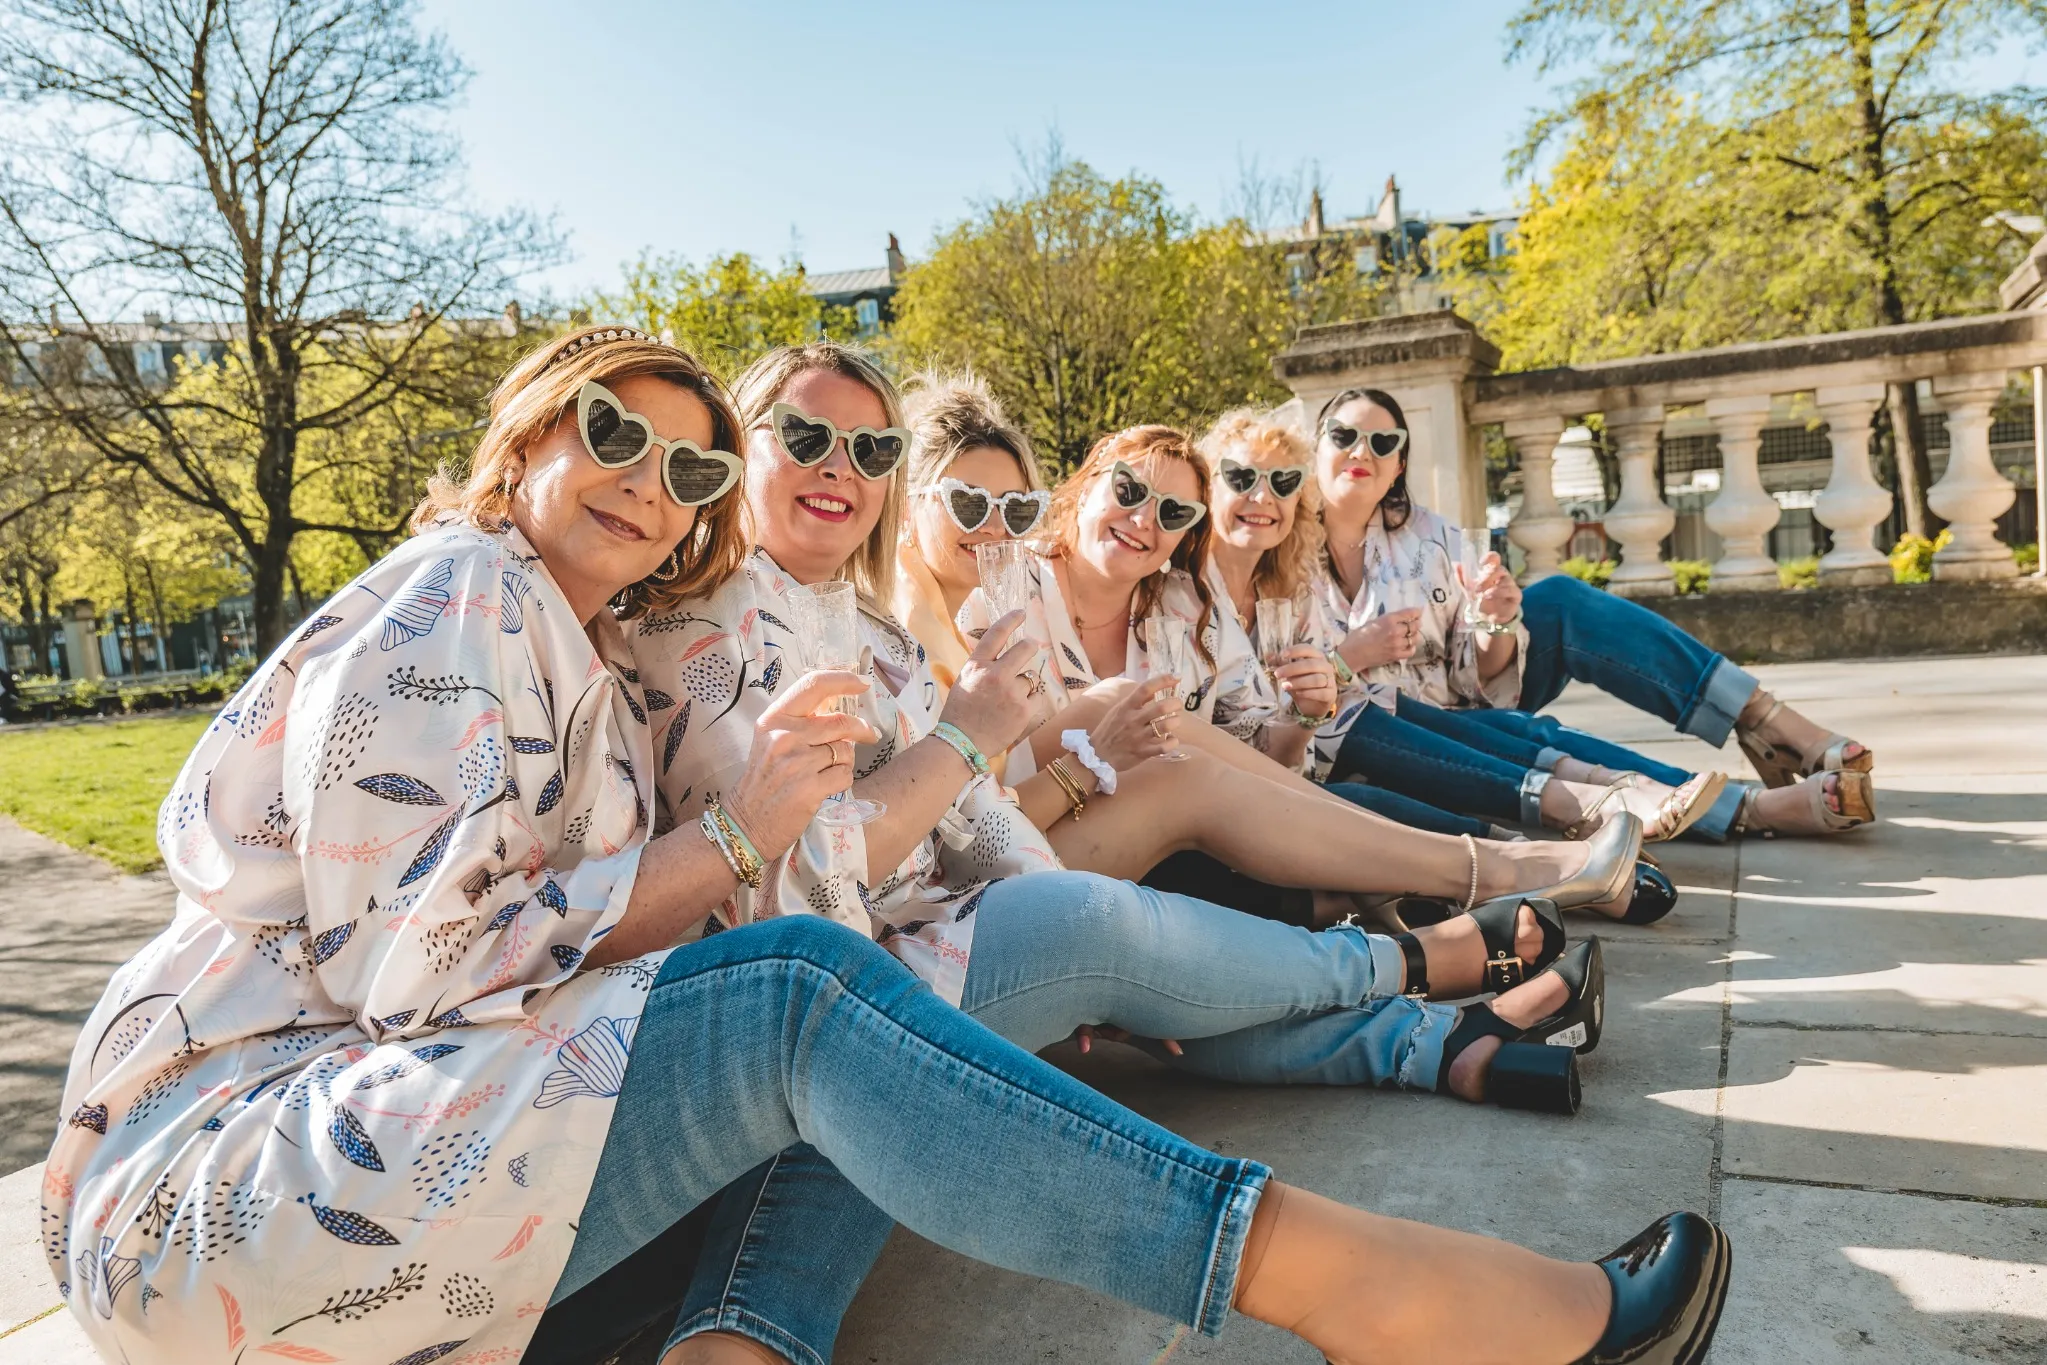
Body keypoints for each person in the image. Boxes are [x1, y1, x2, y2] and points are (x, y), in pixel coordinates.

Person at [40, 327, 1731, 1365]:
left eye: (682, 461)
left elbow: (815, 879)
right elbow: (424, 963)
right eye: (611, 436)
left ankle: (1410, 1009)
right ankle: (1374, 1246)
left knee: (852, 998)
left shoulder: (584, 624)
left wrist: (912, 792)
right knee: (822, 991)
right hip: (223, 1188)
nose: (648, 479)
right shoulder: (465, 592)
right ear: (526, 437)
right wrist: (762, 833)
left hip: (367, 1175)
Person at [621, 342, 1702, 1365]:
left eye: (872, 448)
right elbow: (806, 884)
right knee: (1083, 927)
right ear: (731, 449)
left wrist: (1094, 944)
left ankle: (1436, 1001)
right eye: (806, 438)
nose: (841, 468)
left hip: (870, 959)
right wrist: (979, 747)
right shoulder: (702, 622)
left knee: (1083, 935)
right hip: (806, 976)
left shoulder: (869, 630)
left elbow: (979, 826)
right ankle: (1420, 986)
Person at [891, 374, 1645, 929]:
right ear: (1083, 488)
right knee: (1183, 740)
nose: (1144, 519)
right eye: (1128, 490)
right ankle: (1508, 861)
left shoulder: (1181, 607)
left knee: (1322, 766)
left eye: (1173, 511)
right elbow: (958, 822)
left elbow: (1274, 752)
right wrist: (1095, 757)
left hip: (1172, 816)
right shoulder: (995, 589)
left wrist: (1314, 706)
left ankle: (1515, 861)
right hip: (1025, 864)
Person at [1263, 391, 1870, 839]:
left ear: (1399, 465)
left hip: (1462, 702)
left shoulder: (1431, 536)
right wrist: (1357, 654)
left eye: (1382, 442)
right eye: (1343, 437)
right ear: (1315, 450)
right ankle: (1732, 806)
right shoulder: (1281, 546)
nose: (1360, 452)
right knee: (1541, 740)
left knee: (1560, 600)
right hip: (1384, 736)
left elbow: (1482, 681)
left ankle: (1763, 716)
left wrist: (1494, 620)